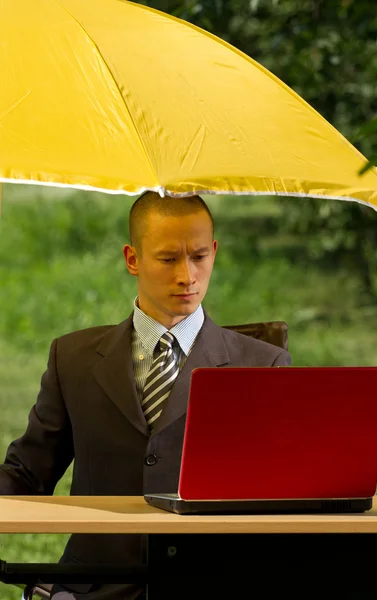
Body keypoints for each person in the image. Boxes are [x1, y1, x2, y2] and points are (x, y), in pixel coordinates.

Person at [0, 192, 291, 599]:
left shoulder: (265, 365)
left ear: (215, 253)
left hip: (213, 583)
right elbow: (27, 474)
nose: (187, 275)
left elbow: (284, 494)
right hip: (92, 588)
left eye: (200, 256)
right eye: (169, 259)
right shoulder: (73, 359)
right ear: (132, 259)